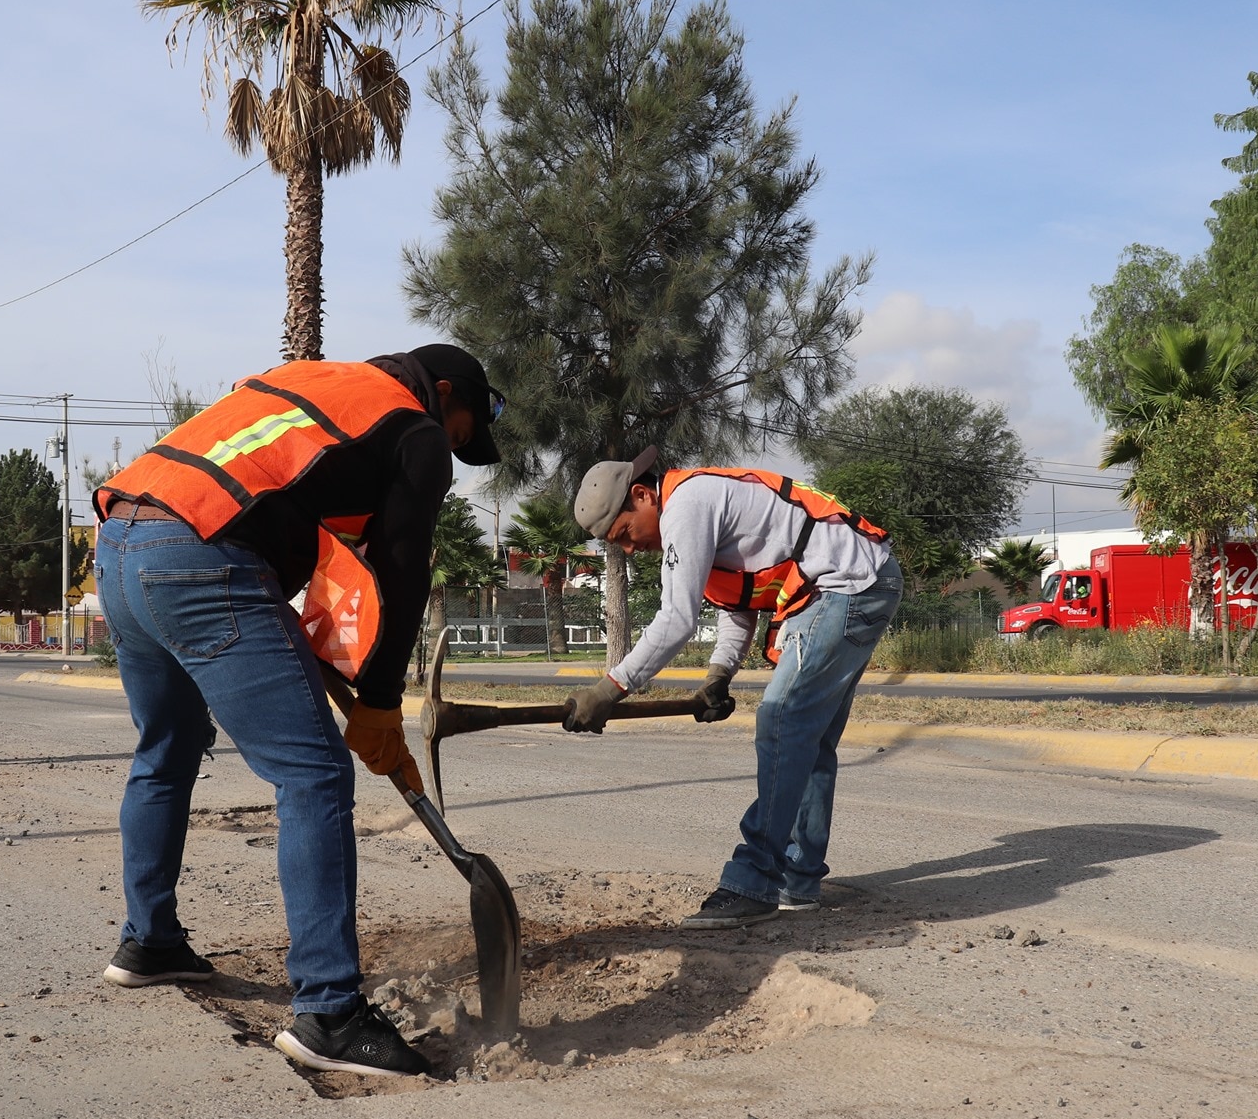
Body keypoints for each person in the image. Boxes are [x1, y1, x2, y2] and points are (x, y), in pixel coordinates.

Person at [93, 344, 503, 1079]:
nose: (453, 448)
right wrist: (380, 703)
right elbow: (401, 570)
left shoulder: (309, 384)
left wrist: (340, 665)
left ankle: (149, 941)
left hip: (121, 541)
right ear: (443, 392)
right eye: (463, 432)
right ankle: (330, 1013)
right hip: (199, 554)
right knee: (314, 773)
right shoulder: (413, 428)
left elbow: (303, 532)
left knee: (167, 746)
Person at [566, 448, 903, 930]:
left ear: (642, 495)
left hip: (845, 585)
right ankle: (797, 879)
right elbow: (737, 605)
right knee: (808, 741)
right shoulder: (698, 508)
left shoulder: (686, 505)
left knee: (783, 722)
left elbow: (676, 619)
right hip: (862, 580)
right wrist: (718, 674)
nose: (630, 549)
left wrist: (610, 689)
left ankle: (753, 882)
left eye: (624, 533)